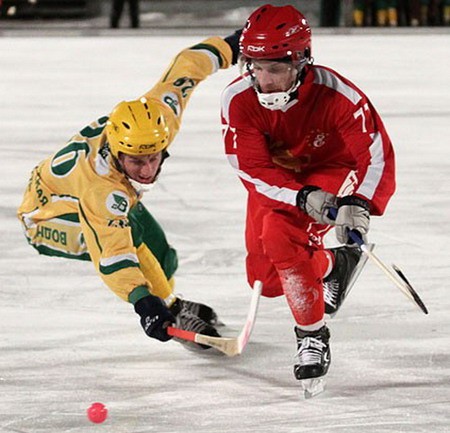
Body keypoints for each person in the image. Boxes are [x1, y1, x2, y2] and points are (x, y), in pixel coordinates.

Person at [18, 32, 241, 349]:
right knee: (133, 241)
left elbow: (186, 67)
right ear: (118, 152)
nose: (148, 171)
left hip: (78, 193)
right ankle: (173, 310)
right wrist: (145, 304)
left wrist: (234, 44)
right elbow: (115, 259)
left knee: (163, 257)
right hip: (46, 219)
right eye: (137, 162)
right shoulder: (102, 189)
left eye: (154, 158)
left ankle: (170, 302)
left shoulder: (158, 118)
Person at [221, 4, 395, 383]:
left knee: (281, 238)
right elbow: (252, 168)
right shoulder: (237, 100)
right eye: (255, 66)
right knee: (266, 281)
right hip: (280, 180)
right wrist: (301, 197)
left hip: (329, 167)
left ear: (301, 62)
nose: (264, 80)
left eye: (276, 68)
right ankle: (337, 264)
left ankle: (311, 336)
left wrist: (358, 203)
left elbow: (376, 155)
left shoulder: (339, 96)